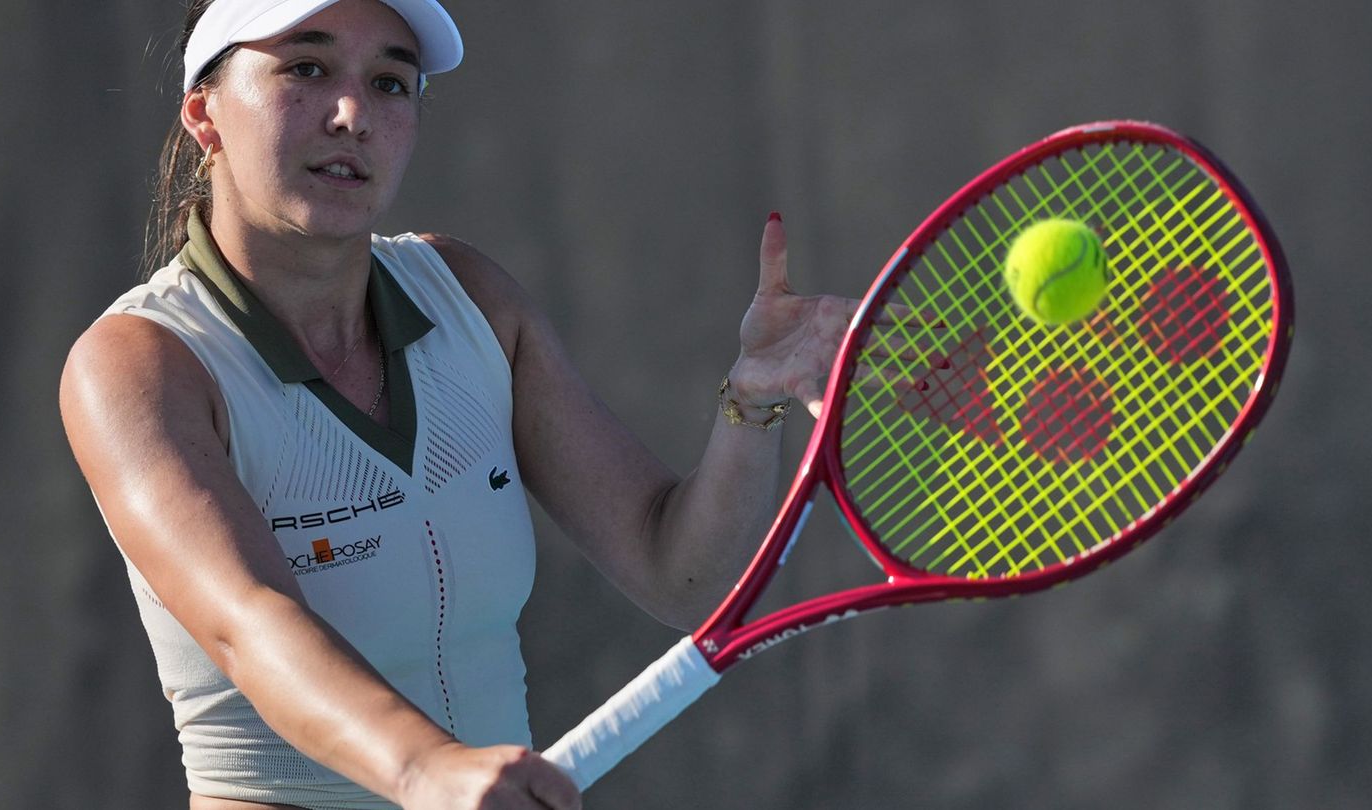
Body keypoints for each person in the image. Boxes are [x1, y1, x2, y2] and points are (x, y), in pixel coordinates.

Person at [60, 1, 855, 807]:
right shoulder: (136, 363)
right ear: (206, 114)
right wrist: (426, 768)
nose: (353, 115)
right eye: (306, 68)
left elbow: (683, 577)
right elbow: (248, 620)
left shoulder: (469, 295)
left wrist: (754, 404)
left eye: (391, 82)